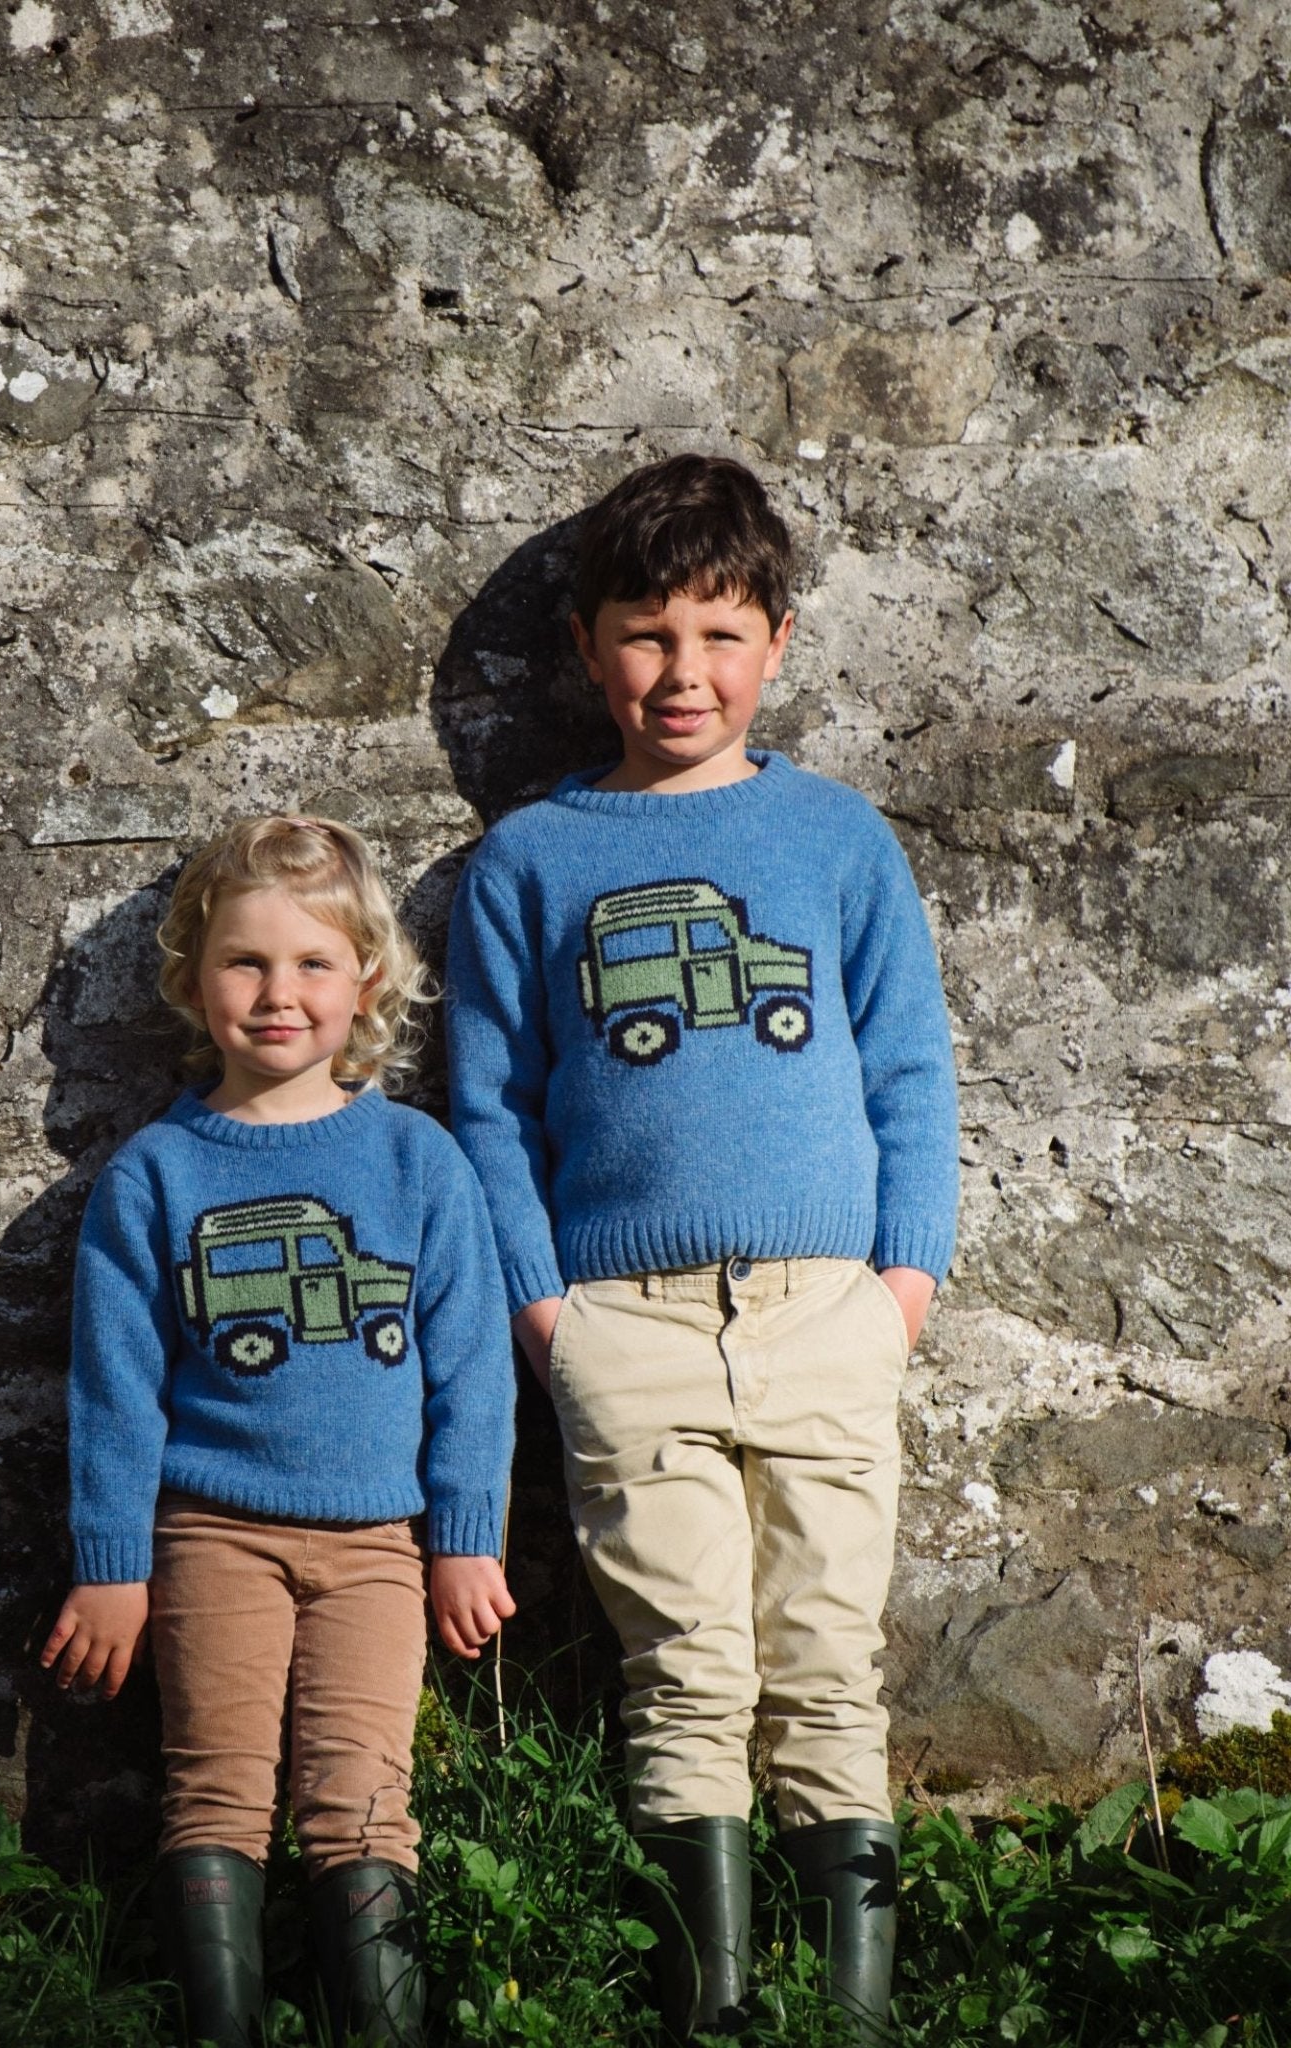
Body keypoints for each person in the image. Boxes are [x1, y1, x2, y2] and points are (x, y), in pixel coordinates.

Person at [445, 454, 958, 2041]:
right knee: (683, 1666)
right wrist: (546, 1315)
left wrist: (902, 1288)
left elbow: (908, 1068)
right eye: (650, 636)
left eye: (721, 636)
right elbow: (489, 1107)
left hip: (825, 1312)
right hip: (628, 1326)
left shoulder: (834, 838)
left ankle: (854, 2012)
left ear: (777, 646)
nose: (685, 673)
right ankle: (711, 2007)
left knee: (825, 1658)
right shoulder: (531, 859)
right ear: (590, 654)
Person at [41, 814, 516, 2048]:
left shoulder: (417, 1160)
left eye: (312, 962)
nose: (277, 992)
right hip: (212, 1535)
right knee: (216, 1788)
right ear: (194, 979)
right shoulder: (156, 1174)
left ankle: (386, 2024)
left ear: (366, 979)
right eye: (246, 961)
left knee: (363, 1802)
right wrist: (113, 1565)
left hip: (377, 1545)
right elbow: (115, 1385)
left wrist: (465, 1537)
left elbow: (471, 1367)